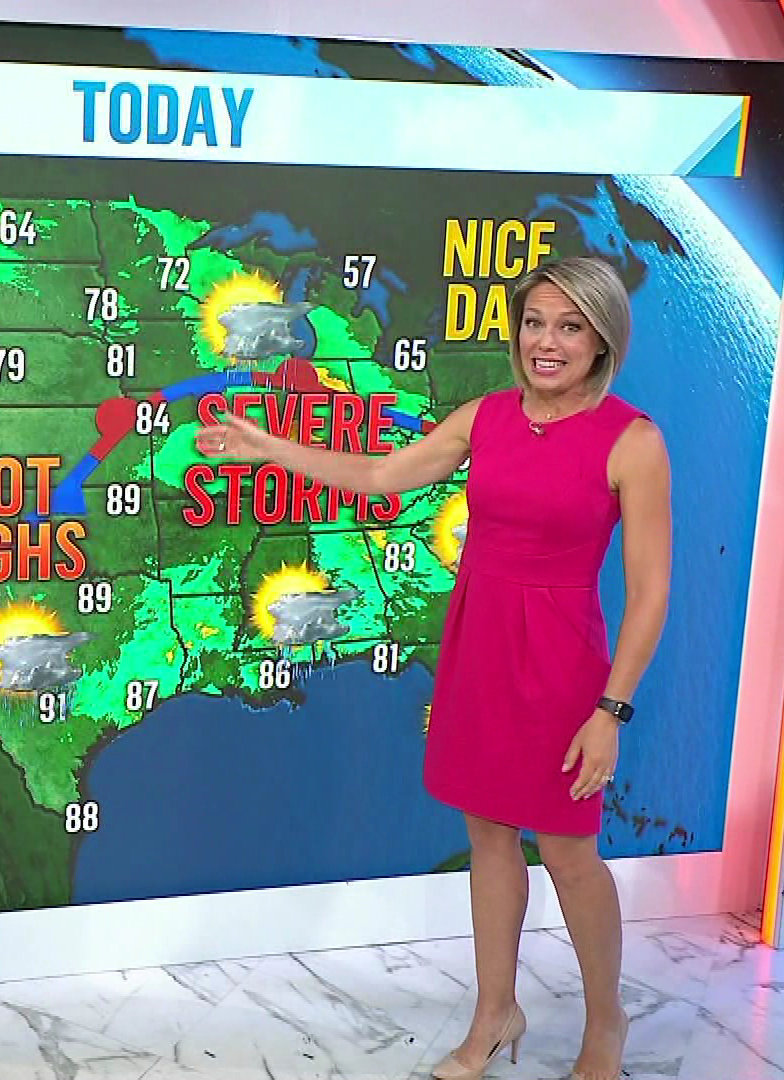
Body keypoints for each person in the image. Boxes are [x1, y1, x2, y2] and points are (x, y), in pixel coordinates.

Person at [194, 255, 671, 1080]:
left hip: (562, 667)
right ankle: (496, 1011)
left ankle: (606, 1022)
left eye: (569, 327)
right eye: (534, 323)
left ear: (602, 341)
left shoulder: (633, 441)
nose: (546, 342)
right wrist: (266, 448)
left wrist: (610, 711)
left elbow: (651, 593)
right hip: (479, 650)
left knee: (568, 853)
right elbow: (381, 477)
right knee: (488, 836)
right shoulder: (485, 417)